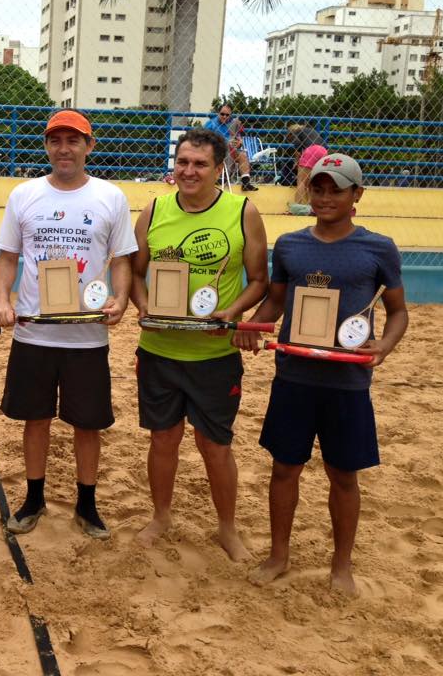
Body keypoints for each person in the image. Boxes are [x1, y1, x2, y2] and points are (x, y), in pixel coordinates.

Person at [237, 154, 408, 595]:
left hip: (347, 383)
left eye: (337, 189)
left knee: (344, 475)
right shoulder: (291, 245)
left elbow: (398, 312)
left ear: (357, 195)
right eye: (318, 188)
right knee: (283, 469)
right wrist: (250, 326)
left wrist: (384, 346)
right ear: (308, 192)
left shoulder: (378, 247)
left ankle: (342, 565)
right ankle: (278, 555)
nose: (326, 197)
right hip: (294, 376)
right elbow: (275, 302)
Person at [0, 108, 138, 540]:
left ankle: (87, 505)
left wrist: (122, 298)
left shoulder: (110, 197)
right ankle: (34, 499)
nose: (64, 148)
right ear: (46, 145)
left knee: (87, 422)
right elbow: (8, 257)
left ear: (89, 146)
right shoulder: (24, 194)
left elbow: (123, 258)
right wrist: (0, 299)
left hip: (86, 335)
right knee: (35, 418)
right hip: (34, 331)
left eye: (74, 140)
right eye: (56, 140)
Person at [129, 127, 268, 561]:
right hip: (160, 350)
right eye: (182, 162)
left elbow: (260, 280)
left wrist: (234, 312)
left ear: (219, 167)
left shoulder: (243, 212)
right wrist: (145, 305)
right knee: (163, 439)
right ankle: (161, 516)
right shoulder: (153, 211)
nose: (188, 171)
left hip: (214, 352)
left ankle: (227, 528)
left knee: (215, 445)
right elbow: (134, 273)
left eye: (200, 164)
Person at [204, 104, 258, 192]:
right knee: (227, 149)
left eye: (227, 115)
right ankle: (222, 178)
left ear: (230, 115)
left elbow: (239, 139)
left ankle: (245, 183)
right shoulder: (210, 124)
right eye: (222, 114)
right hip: (215, 150)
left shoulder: (233, 124)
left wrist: (239, 143)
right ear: (218, 113)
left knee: (242, 155)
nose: (224, 116)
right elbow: (203, 139)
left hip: (230, 150)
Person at [284, 124, 328, 214]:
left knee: (301, 181)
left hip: (311, 150)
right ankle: (312, 207)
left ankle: (295, 208)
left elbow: (298, 148)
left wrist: (296, 162)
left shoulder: (297, 132)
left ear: (291, 133)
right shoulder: (310, 130)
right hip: (323, 151)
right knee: (312, 182)